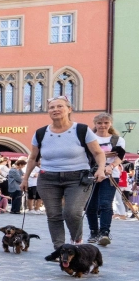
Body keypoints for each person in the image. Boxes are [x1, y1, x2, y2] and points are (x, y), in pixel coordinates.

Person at [20, 96, 106, 255]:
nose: (55, 110)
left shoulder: (81, 130)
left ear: (69, 109)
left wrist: (101, 168)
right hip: (47, 178)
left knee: (72, 212)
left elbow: (98, 153)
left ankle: (76, 241)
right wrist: (25, 178)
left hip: (78, 177)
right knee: (53, 215)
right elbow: (32, 158)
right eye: (52, 107)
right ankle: (60, 250)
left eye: (60, 106)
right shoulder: (41, 133)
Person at [83, 113, 125, 246]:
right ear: (95, 124)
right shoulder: (90, 138)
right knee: (91, 204)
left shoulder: (117, 139)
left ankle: (105, 232)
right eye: (100, 123)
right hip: (91, 174)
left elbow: (120, 156)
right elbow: (87, 155)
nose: (103, 125)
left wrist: (111, 165)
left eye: (106, 123)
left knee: (106, 203)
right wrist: (106, 154)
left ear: (110, 124)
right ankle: (94, 231)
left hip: (110, 175)